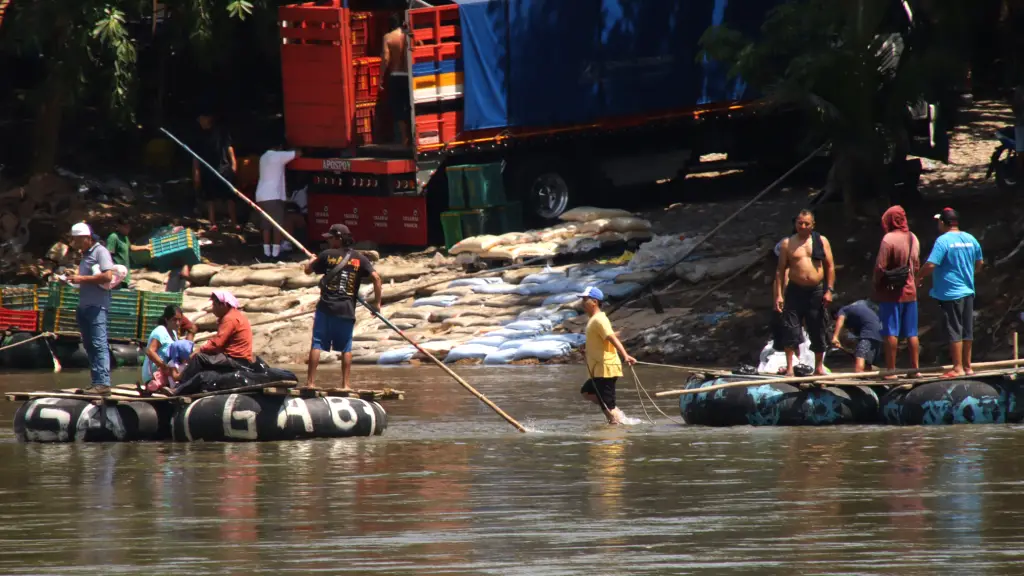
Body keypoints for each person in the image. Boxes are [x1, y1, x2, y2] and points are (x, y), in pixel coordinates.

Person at [303, 223, 382, 390]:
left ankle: (310, 383)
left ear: (338, 238)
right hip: (346, 309)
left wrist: (311, 261)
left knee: (317, 343)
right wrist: (377, 303)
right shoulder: (360, 258)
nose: (329, 241)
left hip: (326, 308)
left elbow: (308, 271)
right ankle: (346, 385)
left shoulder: (326, 255)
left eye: (331, 238)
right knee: (346, 348)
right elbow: (376, 278)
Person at [919, 207, 984, 378]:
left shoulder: (943, 241)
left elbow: (931, 264)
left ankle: (957, 367)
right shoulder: (970, 239)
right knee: (967, 329)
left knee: (954, 329)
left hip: (950, 292)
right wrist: (970, 274)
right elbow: (980, 262)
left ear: (943, 222)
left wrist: (918, 276)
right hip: (968, 290)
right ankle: (968, 367)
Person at [774, 209, 835, 376]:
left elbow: (829, 266)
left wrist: (829, 290)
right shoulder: (787, 243)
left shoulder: (821, 241)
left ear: (812, 225)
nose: (802, 226)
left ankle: (819, 367)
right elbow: (780, 271)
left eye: (806, 223)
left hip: (816, 291)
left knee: (818, 327)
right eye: (799, 223)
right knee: (790, 328)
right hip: (795, 290)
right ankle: (789, 367)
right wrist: (779, 295)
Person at [66, 223, 115, 393]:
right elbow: (86, 280)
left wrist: (81, 279)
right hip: (84, 306)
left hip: (97, 306)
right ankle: (96, 382)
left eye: (78, 240)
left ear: (87, 238)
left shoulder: (100, 251)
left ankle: (103, 383)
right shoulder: (85, 255)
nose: (76, 244)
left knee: (99, 343)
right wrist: (72, 279)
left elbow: (108, 276)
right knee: (89, 345)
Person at [874, 205, 921, 378]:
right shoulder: (913, 237)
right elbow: (916, 264)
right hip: (910, 291)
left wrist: (876, 285)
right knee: (912, 333)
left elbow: (880, 267)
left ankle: (891, 370)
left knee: (890, 332)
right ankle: (915, 370)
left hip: (891, 292)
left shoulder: (888, 239)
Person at [578, 286, 636, 425]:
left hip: (606, 368)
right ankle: (616, 413)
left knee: (607, 405)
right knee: (586, 392)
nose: (582, 303)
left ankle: (615, 430)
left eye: (585, 300)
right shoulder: (595, 320)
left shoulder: (599, 319)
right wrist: (586, 350)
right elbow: (602, 339)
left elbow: (611, 338)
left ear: (594, 302)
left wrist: (625, 355)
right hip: (598, 368)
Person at [193, 111, 238, 232]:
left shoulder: (221, 132)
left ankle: (234, 222)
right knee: (210, 197)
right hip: (207, 169)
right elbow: (195, 156)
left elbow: (229, 147)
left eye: (202, 118)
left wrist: (233, 163)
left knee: (230, 196)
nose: (200, 121)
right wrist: (196, 172)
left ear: (208, 118)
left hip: (224, 167)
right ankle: (212, 222)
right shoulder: (199, 136)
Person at [254, 144, 300, 259]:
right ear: (279, 146)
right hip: (273, 195)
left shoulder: (263, 157)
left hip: (261, 194)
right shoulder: (278, 155)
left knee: (266, 225)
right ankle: (276, 253)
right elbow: (298, 153)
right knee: (277, 225)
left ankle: (266, 253)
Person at [380, 14, 411, 146]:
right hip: (409, 75)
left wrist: (381, 78)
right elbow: (420, 46)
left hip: (396, 76)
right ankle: (412, 136)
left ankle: (403, 139)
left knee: (398, 109)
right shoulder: (409, 35)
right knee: (410, 107)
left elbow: (386, 59)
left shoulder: (388, 37)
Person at [831, 300, 883, 373]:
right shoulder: (855, 311)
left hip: (868, 333)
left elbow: (840, 320)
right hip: (879, 334)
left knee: (860, 355)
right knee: (867, 362)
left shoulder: (843, 310)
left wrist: (835, 337)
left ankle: (859, 373)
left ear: (836, 314)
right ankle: (867, 375)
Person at [141, 305, 182, 390]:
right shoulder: (160, 331)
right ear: (167, 319)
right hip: (154, 377)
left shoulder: (174, 333)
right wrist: (164, 367)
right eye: (174, 320)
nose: (178, 323)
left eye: (179, 320)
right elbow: (150, 351)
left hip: (167, 374)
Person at [105, 218, 149, 288]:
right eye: (126, 227)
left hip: (125, 275)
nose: (128, 229)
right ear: (119, 226)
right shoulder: (113, 237)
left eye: (129, 227)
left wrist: (145, 247)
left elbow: (130, 247)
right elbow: (107, 255)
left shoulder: (125, 237)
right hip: (116, 274)